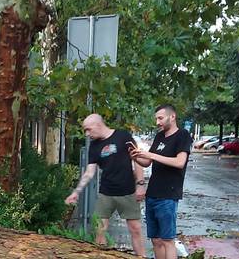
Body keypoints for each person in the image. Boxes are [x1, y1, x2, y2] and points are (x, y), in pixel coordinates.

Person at [65, 114, 146, 257]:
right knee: (100, 229)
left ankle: (141, 257)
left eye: (88, 129)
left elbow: (137, 159)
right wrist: (76, 192)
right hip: (106, 193)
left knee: (135, 229)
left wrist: (140, 184)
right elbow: (89, 172)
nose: (87, 134)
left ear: (98, 124)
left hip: (127, 191)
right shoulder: (94, 147)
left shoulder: (123, 136)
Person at [130, 104, 192, 259]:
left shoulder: (182, 135)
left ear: (172, 116)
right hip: (152, 194)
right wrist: (135, 156)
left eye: (160, 118)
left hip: (168, 195)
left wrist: (151, 156)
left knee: (167, 240)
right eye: (156, 118)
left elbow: (179, 162)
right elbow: (147, 163)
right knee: (156, 240)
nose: (157, 122)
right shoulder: (159, 136)